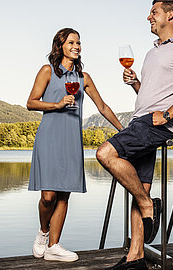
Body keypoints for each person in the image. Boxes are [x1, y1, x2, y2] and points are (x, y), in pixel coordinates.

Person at [96, 0, 173, 269]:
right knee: (139, 186)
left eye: (154, 12)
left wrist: (168, 114)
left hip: (154, 125)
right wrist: (136, 84)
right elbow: (152, 94)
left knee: (105, 153)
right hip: (140, 121)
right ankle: (136, 258)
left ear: (170, 15)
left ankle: (149, 206)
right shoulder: (151, 52)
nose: (149, 17)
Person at [27, 28, 123, 262]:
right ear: (60, 46)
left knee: (63, 196)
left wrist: (125, 131)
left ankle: (54, 246)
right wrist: (57, 104)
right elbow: (31, 103)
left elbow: (102, 107)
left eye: (79, 42)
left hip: (71, 140)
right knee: (48, 196)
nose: (77, 46)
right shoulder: (47, 71)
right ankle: (43, 231)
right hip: (49, 137)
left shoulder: (83, 78)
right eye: (72, 42)